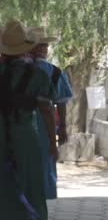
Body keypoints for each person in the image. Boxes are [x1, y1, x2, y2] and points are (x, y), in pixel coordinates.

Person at [0, 20, 57, 220]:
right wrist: (52, 143)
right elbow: (46, 111)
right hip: (24, 136)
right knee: (21, 183)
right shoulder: (39, 75)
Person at [29, 27, 73, 200]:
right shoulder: (54, 72)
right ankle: (39, 198)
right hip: (42, 127)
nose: (44, 49)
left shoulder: (10, 69)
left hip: (14, 123)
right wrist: (62, 126)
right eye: (42, 46)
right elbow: (60, 102)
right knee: (44, 161)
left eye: (45, 46)